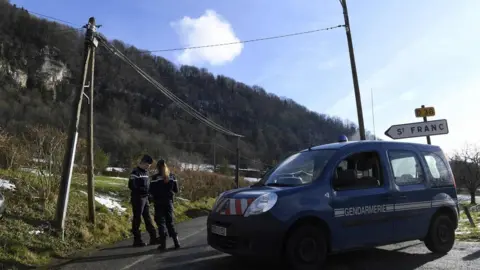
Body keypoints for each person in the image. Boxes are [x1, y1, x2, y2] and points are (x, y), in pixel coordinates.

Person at [149, 159, 180, 250]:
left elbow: (151, 191)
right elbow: (176, 190)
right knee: (170, 222)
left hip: (158, 203)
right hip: (169, 202)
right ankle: (176, 242)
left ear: (158, 168)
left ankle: (163, 245)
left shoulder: (155, 178)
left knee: (161, 223)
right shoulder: (172, 176)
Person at [128, 154, 157, 247]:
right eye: (147, 165)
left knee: (148, 218)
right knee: (137, 219)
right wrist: (142, 191)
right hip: (138, 198)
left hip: (145, 198)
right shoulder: (135, 172)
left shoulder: (146, 172)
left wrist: (149, 195)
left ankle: (153, 238)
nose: (148, 167)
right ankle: (137, 240)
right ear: (143, 163)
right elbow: (132, 186)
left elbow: (148, 185)